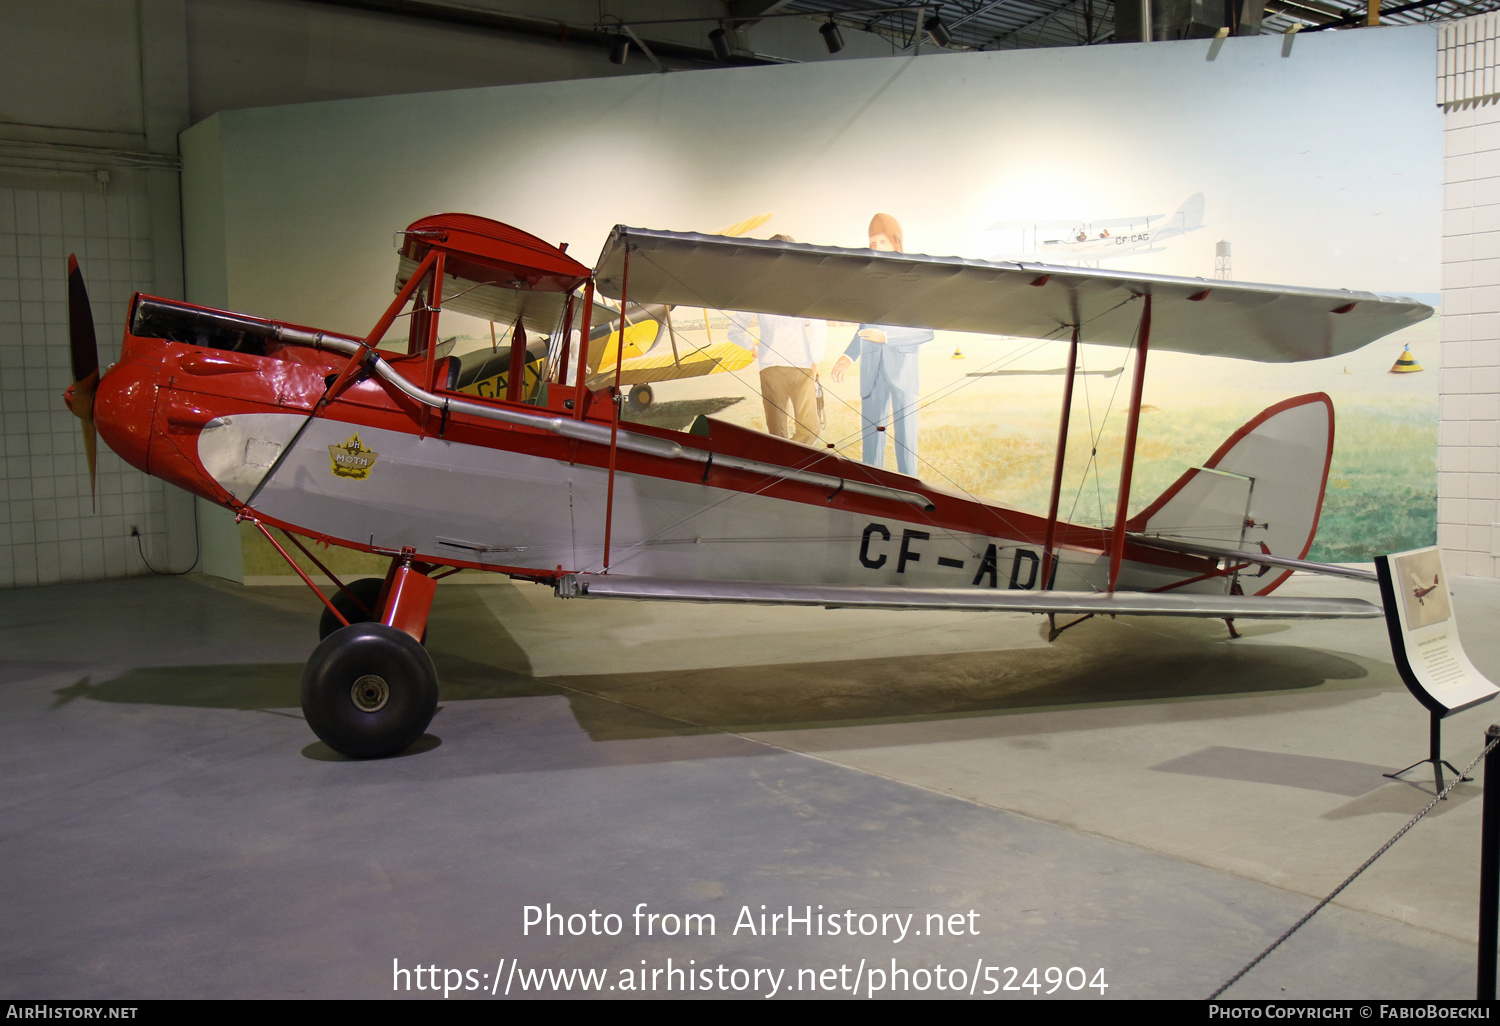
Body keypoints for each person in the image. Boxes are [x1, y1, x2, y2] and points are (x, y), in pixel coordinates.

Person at [829, 214, 934, 476]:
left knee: (906, 443)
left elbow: (926, 332)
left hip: (903, 373)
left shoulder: (915, 281)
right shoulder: (870, 284)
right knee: (871, 445)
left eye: (881, 243)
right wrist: (848, 357)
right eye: (872, 244)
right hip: (872, 373)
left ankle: (910, 489)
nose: (876, 249)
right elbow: (864, 329)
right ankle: (872, 491)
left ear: (896, 243)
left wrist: (887, 338)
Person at [727, 235, 827, 446]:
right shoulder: (799, 289)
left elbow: (735, 331)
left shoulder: (758, 289)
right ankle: (790, 467)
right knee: (789, 433)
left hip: (792, 366)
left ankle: (789, 464)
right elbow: (819, 325)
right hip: (784, 367)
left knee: (798, 430)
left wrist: (815, 360)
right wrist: (753, 347)